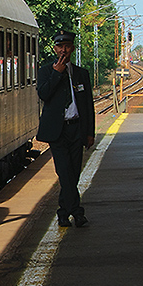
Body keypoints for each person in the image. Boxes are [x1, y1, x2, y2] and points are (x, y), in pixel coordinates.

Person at [36, 31, 95, 227]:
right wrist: (57, 73)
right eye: (60, 47)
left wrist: (90, 132)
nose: (64, 50)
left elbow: (88, 105)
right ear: (55, 49)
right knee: (64, 172)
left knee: (74, 173)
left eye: (67, 46)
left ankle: (64, 212)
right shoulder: (46, 71)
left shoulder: (81, 74)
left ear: (72, 48)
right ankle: (76, 212)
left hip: (76, 128)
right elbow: (44, 94)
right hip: (57, 131)